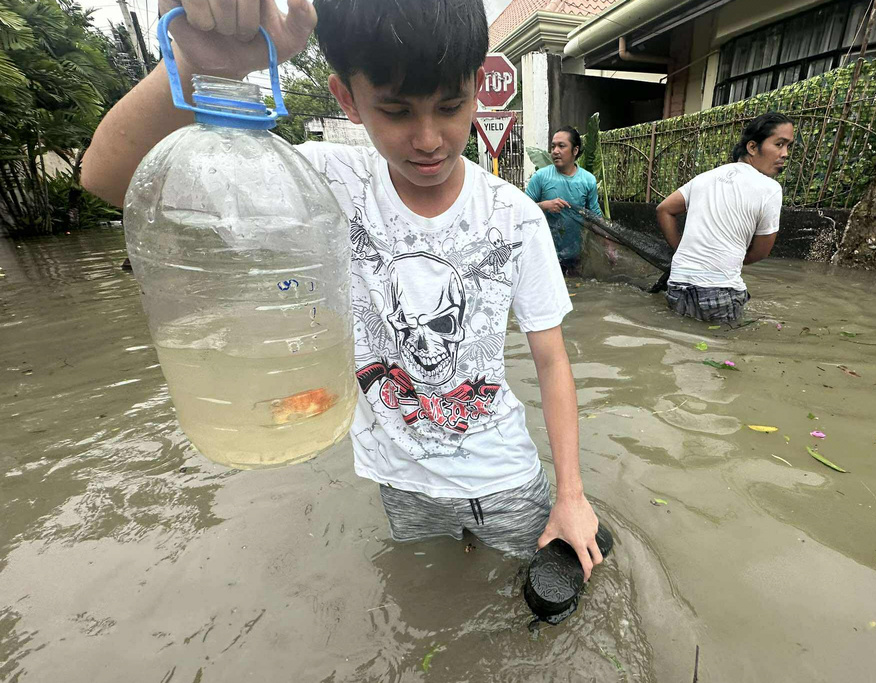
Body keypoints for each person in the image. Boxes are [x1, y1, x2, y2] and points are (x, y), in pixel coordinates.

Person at [81, 0, 604, 579]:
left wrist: (572, 495)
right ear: (348, 99)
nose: (429, 139)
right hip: (400, 485)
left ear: (477, 88)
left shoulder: (515, 217)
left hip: (505, 482)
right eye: (397, 111)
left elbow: (552, 362)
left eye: (450, 107)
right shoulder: (323, 183)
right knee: (426, 606)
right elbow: (108, 178)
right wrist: (208, 66)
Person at [655, 112, 794, 323]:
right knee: (722, 352)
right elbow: (760, 252)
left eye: (788, 146)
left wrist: (681, 252)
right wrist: (732, 261)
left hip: (677, 285)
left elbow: (664, 209)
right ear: (753, 147)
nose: (785, 154)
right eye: (779, 144)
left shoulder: (704, 178)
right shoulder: (770, 189)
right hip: (721, 291)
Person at [525, 126, 602, 275]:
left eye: (561, 146)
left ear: (575, 151)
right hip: (544, 255)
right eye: (553, 146)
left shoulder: (588, 180)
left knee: (577, 294)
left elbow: (596, 217)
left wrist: (610, 246)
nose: (555, 151)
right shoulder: (540, 177)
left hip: (576, 255)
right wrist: (544, 205)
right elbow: (522, 209)